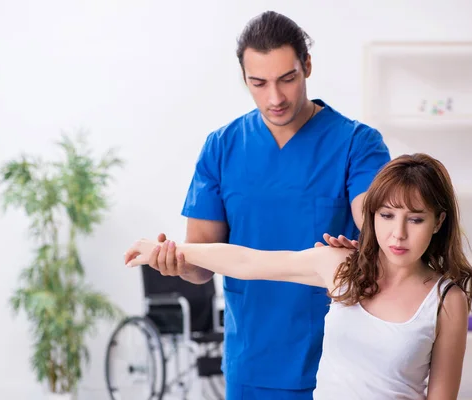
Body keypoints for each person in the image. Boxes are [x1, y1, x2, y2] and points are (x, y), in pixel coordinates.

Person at [146, 11, 390, 399]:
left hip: (337, 364)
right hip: (251, 361)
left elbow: (379, 223)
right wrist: (175, 261)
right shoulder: (222, 148)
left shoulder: (357, 144)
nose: (274, 98)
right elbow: (201, 261)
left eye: (287, 79)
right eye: (258, 83)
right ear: (243, 77)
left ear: (307, 66)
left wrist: (377, 241)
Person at [125, 153, 472, 400]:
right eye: (386, 216)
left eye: (415, 220)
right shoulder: (343, 267)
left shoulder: (447, 301)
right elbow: (248, 261)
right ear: (372, 216)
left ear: (438, 222)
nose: (398, 234)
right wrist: (173, 250)